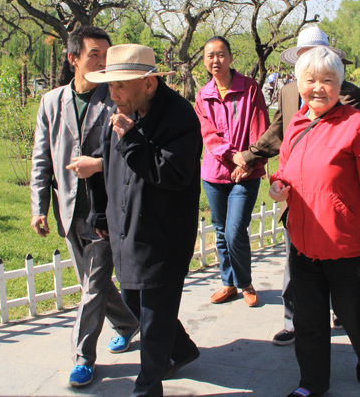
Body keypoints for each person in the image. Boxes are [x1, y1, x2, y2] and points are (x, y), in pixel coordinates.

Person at [269, 47, 360, 397]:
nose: (318, 88)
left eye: (327, 80)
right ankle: (311, 383)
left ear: (340, 85)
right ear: (299, 84)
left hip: (347, 246)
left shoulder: (358, 125)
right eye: (310, 80)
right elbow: (283, 169)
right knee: (308, 320)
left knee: (353, 315)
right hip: (303, 244)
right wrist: (278, 185)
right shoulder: (296, 124)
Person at [233, 25, 360, 346]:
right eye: (305, 56)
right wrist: (249, 156)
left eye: (319, 56)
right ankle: (292, 321)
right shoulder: (290, 91)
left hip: (333, 197)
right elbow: (278, 131)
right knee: (295, 261)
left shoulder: (347, 93)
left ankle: (340, 310)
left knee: (335, 262)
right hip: (297, 197)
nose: (312, 65)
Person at [86, 44, 202, 397]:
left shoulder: (180, 116)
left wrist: (132, 139)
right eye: (110, 85)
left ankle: (147, 387)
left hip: (164, 234)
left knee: (153, 317)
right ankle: (181, 349)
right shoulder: (118, 111)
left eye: (121, 86)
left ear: (148, 84)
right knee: (136, 302)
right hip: (126, 227)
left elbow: (173, 173)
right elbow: (105, 164)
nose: (113, 94)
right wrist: (100, 212)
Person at [29, 26, 139, 387]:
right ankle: (128, 323)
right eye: (95, 54)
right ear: (73, 58)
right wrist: (39, 207)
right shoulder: (51, 101)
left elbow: (133, 153)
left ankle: (83, 358)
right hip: (68, 209)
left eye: (107, 54)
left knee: (92, 288)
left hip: (105, 210)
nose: (103, 61)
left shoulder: (116, 98)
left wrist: (99, 164)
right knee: (93, 284)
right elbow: (41, 158)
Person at [194, 36, 270, 307]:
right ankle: (228, 283)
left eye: (221, 54)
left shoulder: (249, 88)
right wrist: (232, 157)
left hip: (246, 174)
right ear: (204, 61)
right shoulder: (203, 95)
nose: (216, 60)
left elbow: (260, 128)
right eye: (210, 55)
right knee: (220, 230)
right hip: (214, 174)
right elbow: (208, 135)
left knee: (235, 230)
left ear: (230, 57)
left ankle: (245, 282)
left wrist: (248, 161)